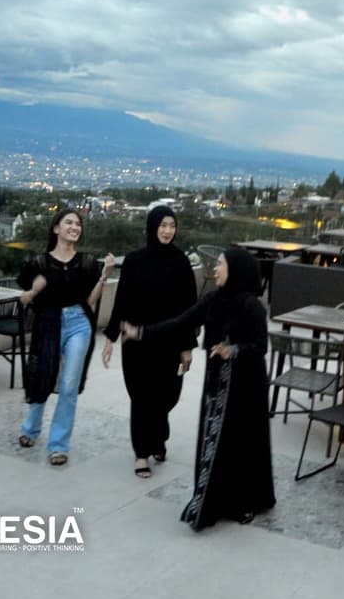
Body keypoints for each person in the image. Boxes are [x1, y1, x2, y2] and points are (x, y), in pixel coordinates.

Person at [121, 247, 275, 529]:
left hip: (246, 387)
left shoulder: (252, 306)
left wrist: (233, 350)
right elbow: (181, 323)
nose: (215, 269)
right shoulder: (213, 300)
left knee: (240, 443)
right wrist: (140, 332)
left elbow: (260, 347)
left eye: (221, 265)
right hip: (217, 384)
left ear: (236, 271)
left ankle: (243, 502)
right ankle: (213, 499)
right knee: (214, 441)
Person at [101, 206, 198, 479]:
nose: (167, 230)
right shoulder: (134, 261)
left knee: (167, 396)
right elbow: (121, 302)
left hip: (169, 343)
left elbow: (190, 309)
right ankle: (141, 453)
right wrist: (110, 338)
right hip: (136, 342)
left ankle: (159, 437)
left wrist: (187, 346)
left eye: (172, 225)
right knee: (142, 397)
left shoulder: (181, 262)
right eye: (162, 225)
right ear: (152, 227)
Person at [18, 208, 116, 466]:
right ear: (56, 228)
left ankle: (58, 445)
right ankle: (31, 427)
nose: (75, 227)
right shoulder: (39, 262)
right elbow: (24, 297)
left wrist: (104, 276)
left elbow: (90, 302)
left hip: (78, 323)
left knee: (69, 383)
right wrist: (32, 292)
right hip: (47, 322)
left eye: (78, 224)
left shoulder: (87, 263)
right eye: (69, 222)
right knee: (42, 374)